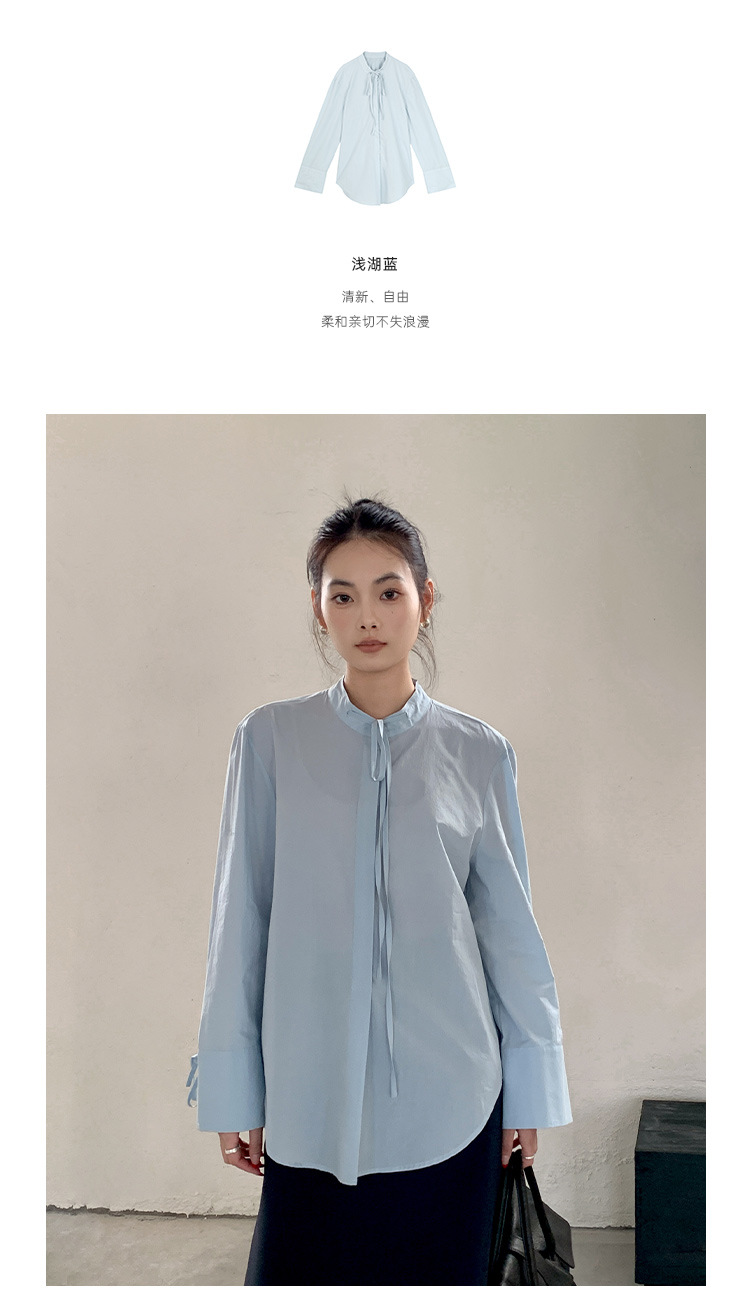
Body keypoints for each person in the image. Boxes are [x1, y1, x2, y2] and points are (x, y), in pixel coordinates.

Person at [186, 494, 573, 1285]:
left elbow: (508, 932)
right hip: (309, 1095)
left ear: (424, 600)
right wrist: (233, 1087)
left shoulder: (478, 752)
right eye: (343, 594)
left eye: (389, 591)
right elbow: (240, 923)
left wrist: (531, 1089)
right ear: (318, 609)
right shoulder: (269, 741)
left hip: (454, 1097)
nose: (367, 615)